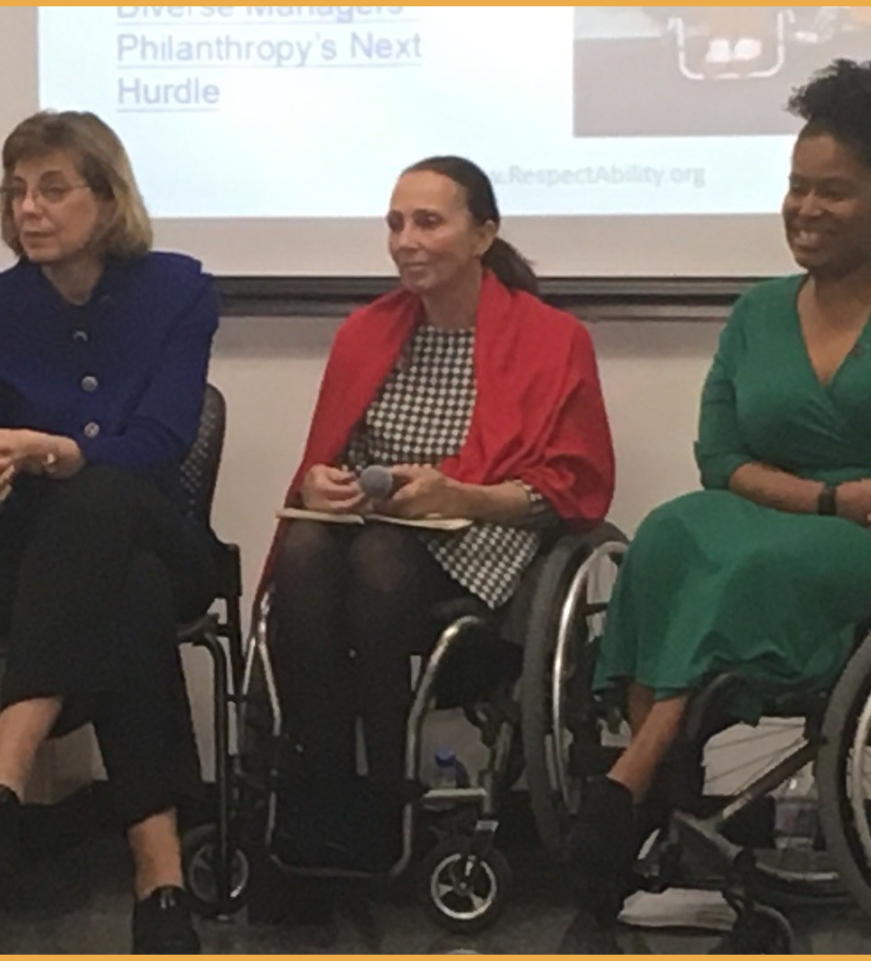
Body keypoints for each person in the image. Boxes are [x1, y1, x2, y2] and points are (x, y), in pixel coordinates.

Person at [573, 59, 871, 945]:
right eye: (795, 187)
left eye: (834, 193)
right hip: (805, 510)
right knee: (667, 533)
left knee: (754, 561)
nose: (805, 210)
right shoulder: (759, 310)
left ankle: (630, 791)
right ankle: (657, 781)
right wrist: (827, 497)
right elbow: (720, 458)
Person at [260, 155, 615, 894]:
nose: (406, 239)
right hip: (378, 520)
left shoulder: (552, 338)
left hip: (484, 527)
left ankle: (387, 786)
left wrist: (462, 495)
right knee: (304, 551)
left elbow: (571, 490)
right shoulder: (368, 331)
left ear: (483, 233)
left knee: (379, 558)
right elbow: (335, 454)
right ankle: (322, 782)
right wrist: (323, 482)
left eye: (428, 221)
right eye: (396, 222)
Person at [0, 111, 219, 954]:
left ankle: (6, 765)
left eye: (53, 188)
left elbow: (160, 444)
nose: (30, 208)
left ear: (107, 197)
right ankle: (158, 880)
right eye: (17, 190)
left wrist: (55, 452)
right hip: (11, 548)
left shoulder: (178, 291)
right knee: (129, 590)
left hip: (153, 522)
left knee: (100, 499)